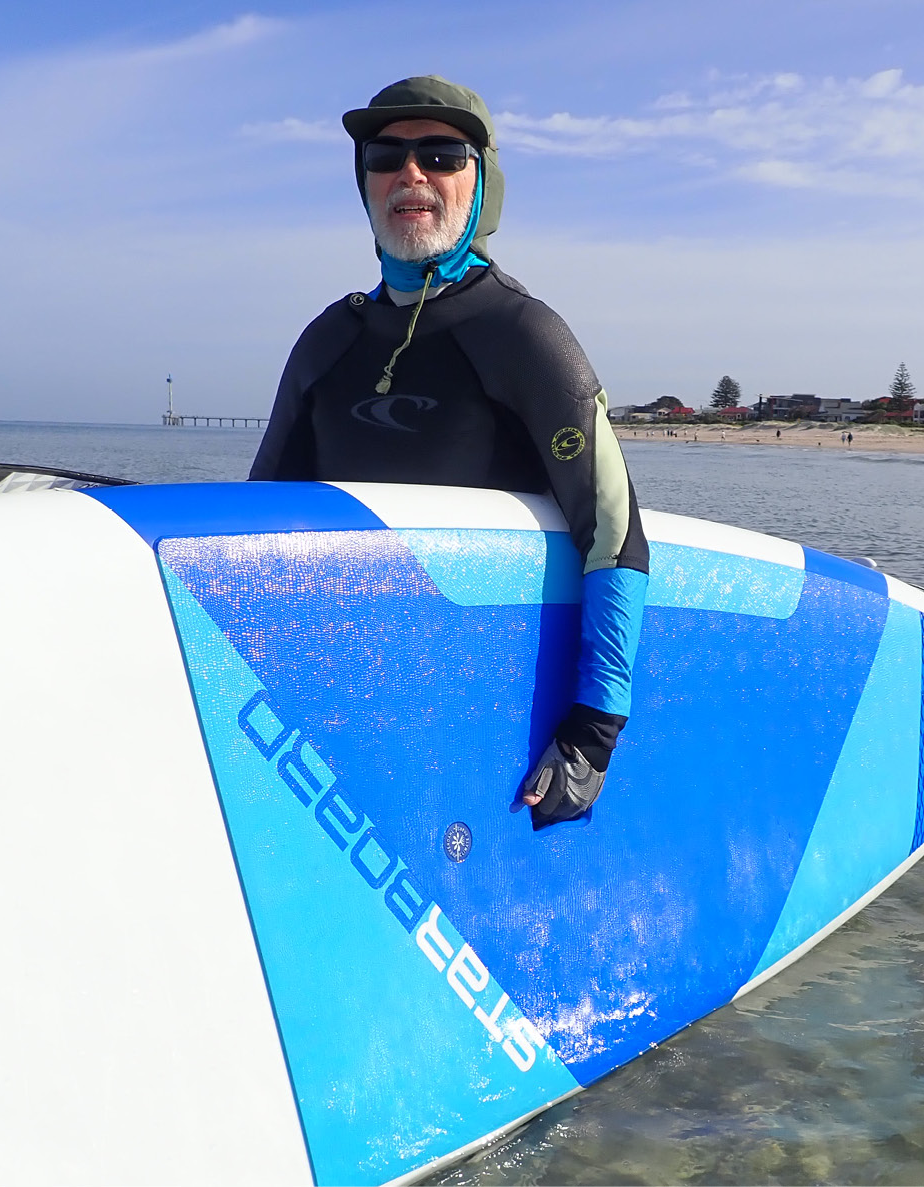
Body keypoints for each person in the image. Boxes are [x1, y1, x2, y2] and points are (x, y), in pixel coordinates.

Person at [250, 76, 650, 828]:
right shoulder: (327, 343)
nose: (411, 174)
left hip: (484, 719)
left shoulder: (522, 335)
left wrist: (594, 731)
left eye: (441, 154)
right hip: (347, 705)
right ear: (363, 181)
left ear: (483, 183)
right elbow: (256, 526)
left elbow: (614, 530)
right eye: (386, 155)